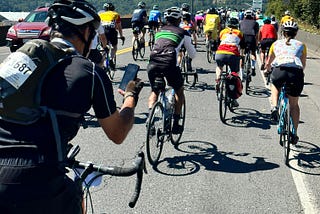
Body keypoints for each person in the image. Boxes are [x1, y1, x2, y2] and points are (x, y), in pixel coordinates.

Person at [0, 0, 143, 213]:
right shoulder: (90, 72)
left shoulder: (20, 57)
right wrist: (130, 97)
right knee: (73, 195)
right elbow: (118, 132)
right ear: (85, 31)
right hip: (38, 182)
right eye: (93, 34)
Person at [147, 7, 196, 134]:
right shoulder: (183, 32)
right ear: (179, 19)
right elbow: (192, 54)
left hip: (152, 63)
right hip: (169, 64)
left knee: (155, 91)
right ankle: (175, 123)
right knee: (179, 91)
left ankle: (150, 118)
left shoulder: (159, 31)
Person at [265, 20, 306, 144]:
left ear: (282, 32)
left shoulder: (276, 44)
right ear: (296, 33)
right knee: (294, 105)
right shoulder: (302, 45)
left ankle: (274, 107)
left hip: (279, 71)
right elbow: (303, 64)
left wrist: (267, 69)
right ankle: (294, 133)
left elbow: (269, 62)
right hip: (295, 73)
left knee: (275, 86)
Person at [215, 17, 244, 107]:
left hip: (220, 53)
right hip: (232, 54)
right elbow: (242, 46)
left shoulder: (223, 31)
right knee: (235, 74)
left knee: (219, 67)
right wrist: (242, 56)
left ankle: (218, 80)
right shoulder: (239, 33)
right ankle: (234, 99)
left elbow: (219, 41)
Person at [99, 2, 125, 70]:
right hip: (111, 31)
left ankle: (100, 65)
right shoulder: (116, 14)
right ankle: (111, 59)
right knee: (114, 47)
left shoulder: (101, 14)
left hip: (103, 31)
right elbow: (119, 27)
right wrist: (121, 36)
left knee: (104, 48)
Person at [239, 10, 259, 76]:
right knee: (253, 53)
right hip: (251, 38)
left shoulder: (241, 22)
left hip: (243, 38)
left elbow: (240, 32)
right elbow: (256, 35)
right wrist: (256, 44)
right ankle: (253, 66)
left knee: (242, 54)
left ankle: (241, 74)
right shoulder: (255, 23)